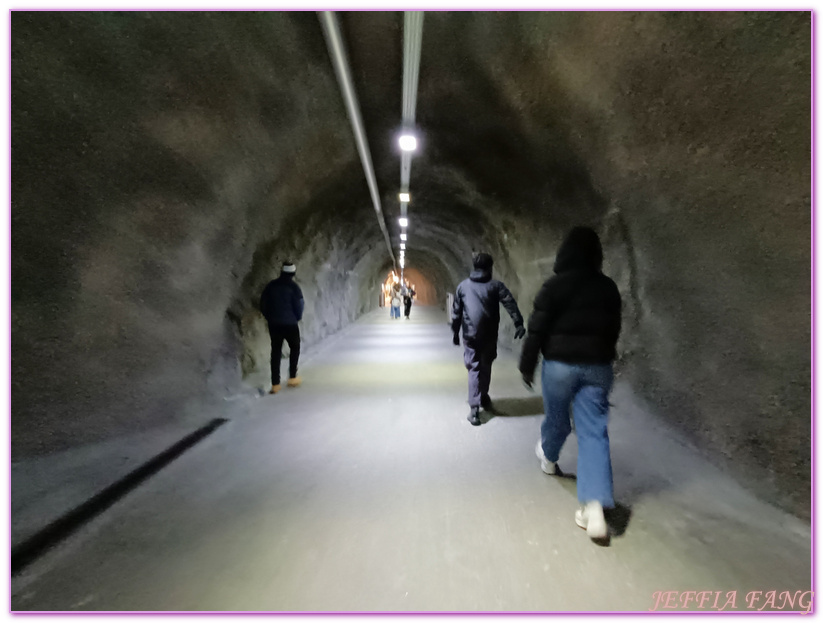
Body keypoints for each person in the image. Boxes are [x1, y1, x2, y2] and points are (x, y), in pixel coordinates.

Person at [518, 227, 622, 542]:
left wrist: (527, 364)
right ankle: (594, 509)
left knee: (557, 418)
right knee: (594, 432)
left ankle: (549, 458)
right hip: (597, 368)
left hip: (559, 366)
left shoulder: (553, 287)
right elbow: (613, 329)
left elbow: (536, 330)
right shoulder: (608, 288)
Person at [451, 252, 526, 425]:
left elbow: (456, 312)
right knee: (486, 366)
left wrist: (455, 332)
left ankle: (475, 409)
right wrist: (518, 323)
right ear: (490, 267)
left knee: (474, 368)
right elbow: (509, 302)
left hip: (470, 335)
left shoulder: (463, 286)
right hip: (489, 335)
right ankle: (482, 397)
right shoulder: (496, 286)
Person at [260, 261, 305, 394]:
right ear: (293, 273)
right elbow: (299, 305)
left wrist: (269, 317)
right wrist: (296, 317)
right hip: (290, 324)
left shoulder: (271, 286)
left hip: (274, 324)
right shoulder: (294, 287)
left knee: (276, 351)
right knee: (295, 348)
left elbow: (263, 303)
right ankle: (292, 377)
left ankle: (275, 384)